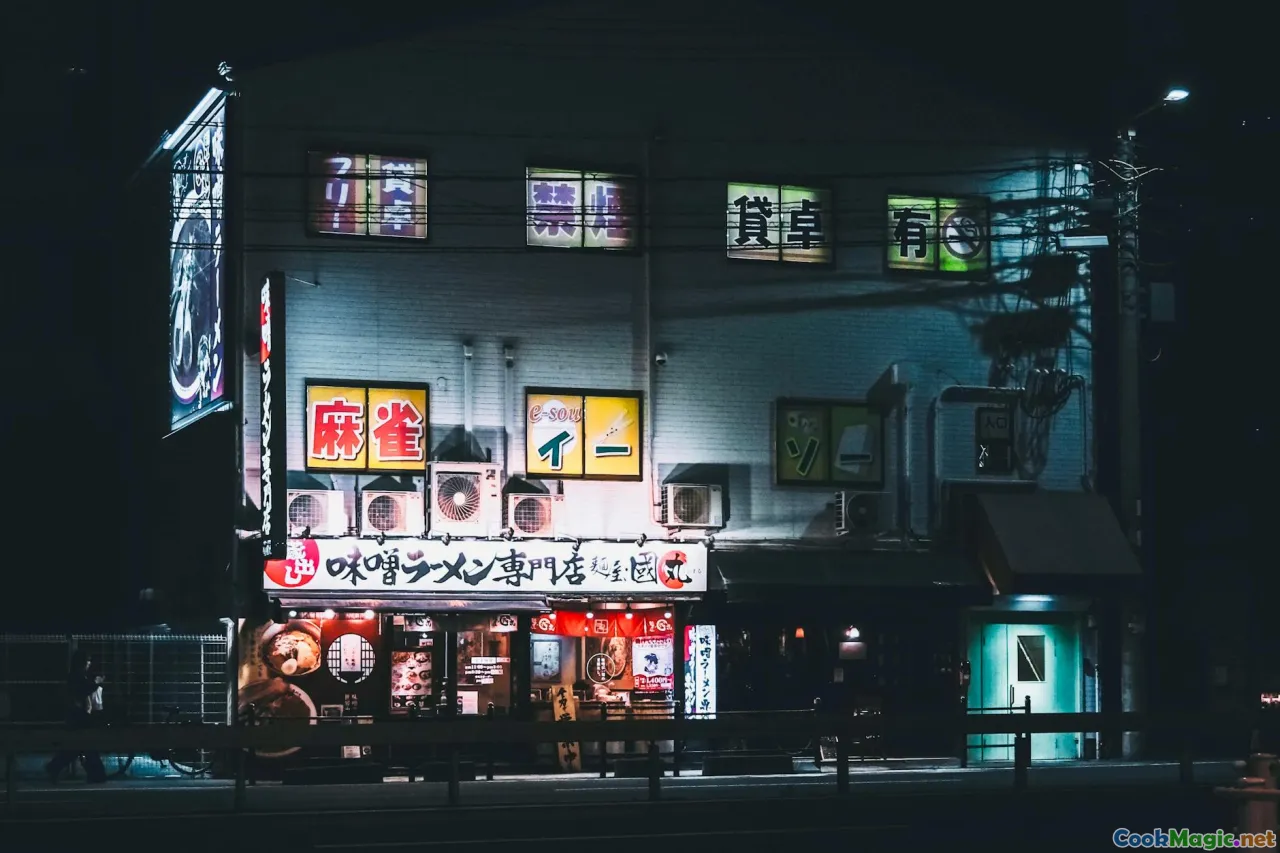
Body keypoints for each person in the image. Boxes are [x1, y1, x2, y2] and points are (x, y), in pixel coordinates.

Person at [45, 650, 107, 783]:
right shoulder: (77, 676)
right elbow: (82, 692)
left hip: (76, 715)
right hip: (79, 716)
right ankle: (96, 774)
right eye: (87, 662)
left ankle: (55, 767)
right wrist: (96, 684)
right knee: (85, 745)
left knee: (77, 746)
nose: (89, 665)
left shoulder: (75, 676)